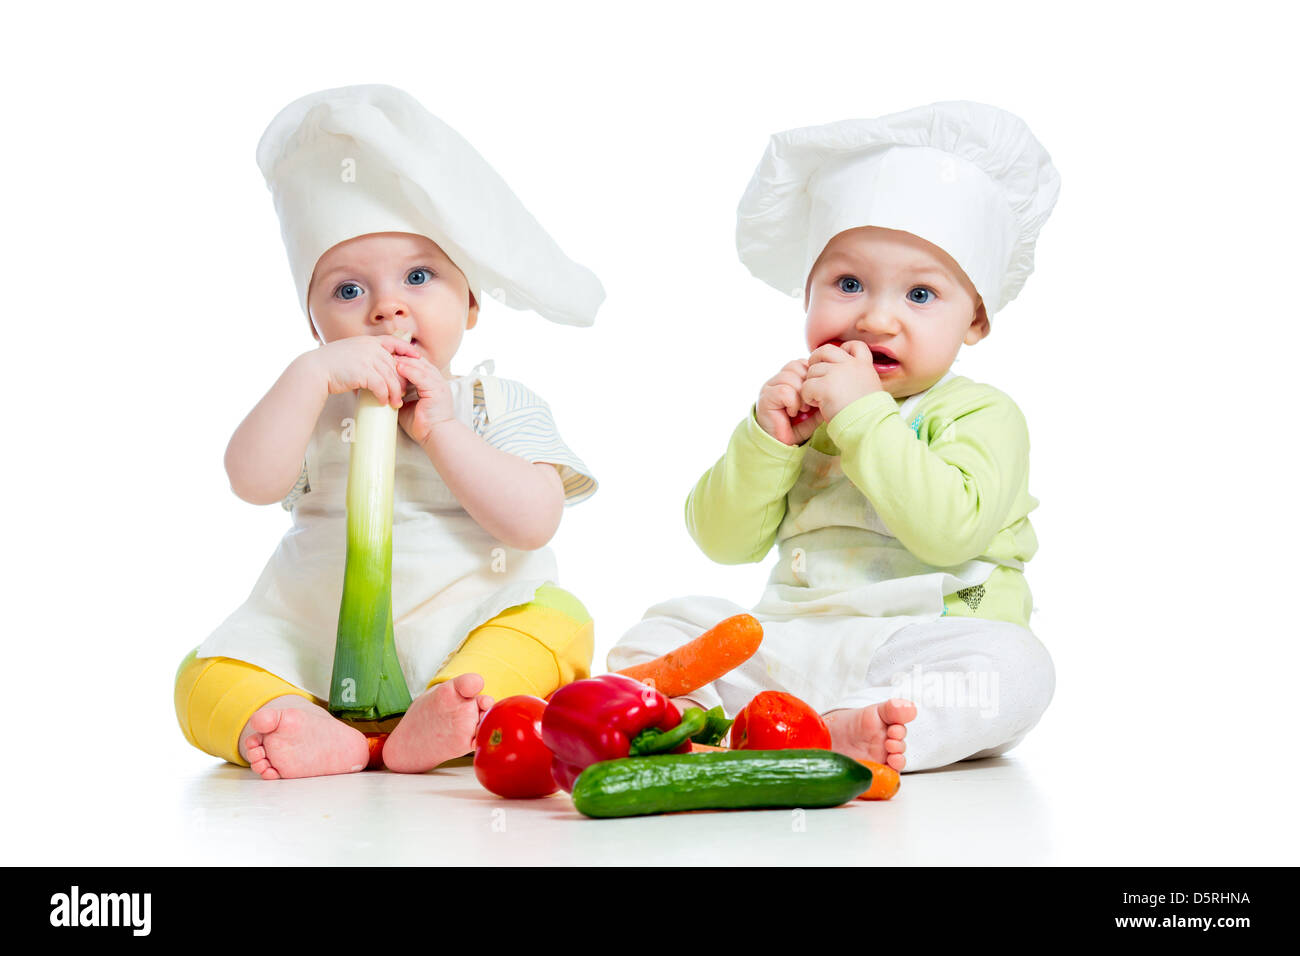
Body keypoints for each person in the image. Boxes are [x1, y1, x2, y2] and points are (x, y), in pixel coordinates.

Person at [608, 101, 1061, 772]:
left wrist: (861, 416)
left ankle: (876, 726)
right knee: (663, 628)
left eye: (921, 295)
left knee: (1015, 667)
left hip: (922, 641)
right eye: (848, 284)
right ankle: (758, 730)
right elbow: (721, 541)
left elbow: (950, 531)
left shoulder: (982, 414)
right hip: (795, 641)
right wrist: (768, 440)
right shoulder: (800, 409)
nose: (876, 318)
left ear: (976, 320)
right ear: (806, 296)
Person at [174, 85, 603, 779]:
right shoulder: (313, 405)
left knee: (557, 621)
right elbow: (251, 481)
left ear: (469, 306)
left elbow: (533, 523)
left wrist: (442, 430)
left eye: (419, 275)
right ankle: (304, 725)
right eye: (347, 291)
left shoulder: (495, 402)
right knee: (200, 678)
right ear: (314, 325)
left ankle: (449, 708)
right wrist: (306, 378)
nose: (386, 307)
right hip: (313, 641)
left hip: (467, 623)